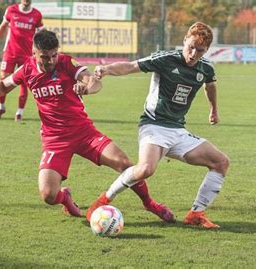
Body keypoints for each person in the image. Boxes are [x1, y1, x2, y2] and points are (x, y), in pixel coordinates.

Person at [0, 29, 175, 222]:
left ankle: (149, 204)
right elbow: (2, 87)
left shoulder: (65, 62)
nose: (51, 60)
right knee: (48, 195)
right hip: (54, 140)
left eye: (54, 55)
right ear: (34, 53)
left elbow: (93, 81)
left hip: (84, 133)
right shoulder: (26, 69)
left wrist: (86, 88)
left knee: (125, 164)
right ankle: (65, 198)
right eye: (45, 57)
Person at [86, 22, 230, 228]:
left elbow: (210, 86)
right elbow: (131, 66)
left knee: (221, 163)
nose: (193, 54)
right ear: (184, 41)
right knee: (145, 169)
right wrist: (106, 69)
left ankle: (196, 214)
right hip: (153, 126)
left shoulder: (206, 67)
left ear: (207, 50)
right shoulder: (166, 59)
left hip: (179, 131)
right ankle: (103, 200)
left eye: (199, 50)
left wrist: (213, 110)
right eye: (190, 47)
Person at [0, 0, 43, 122]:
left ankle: (19, 112)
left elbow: (41, 34)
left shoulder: (36, 15)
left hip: (27, 55)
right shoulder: (11, 10)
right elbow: (2, 27)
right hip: (10, 52)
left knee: (24, 82)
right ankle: (1, 108)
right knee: (3, 79)